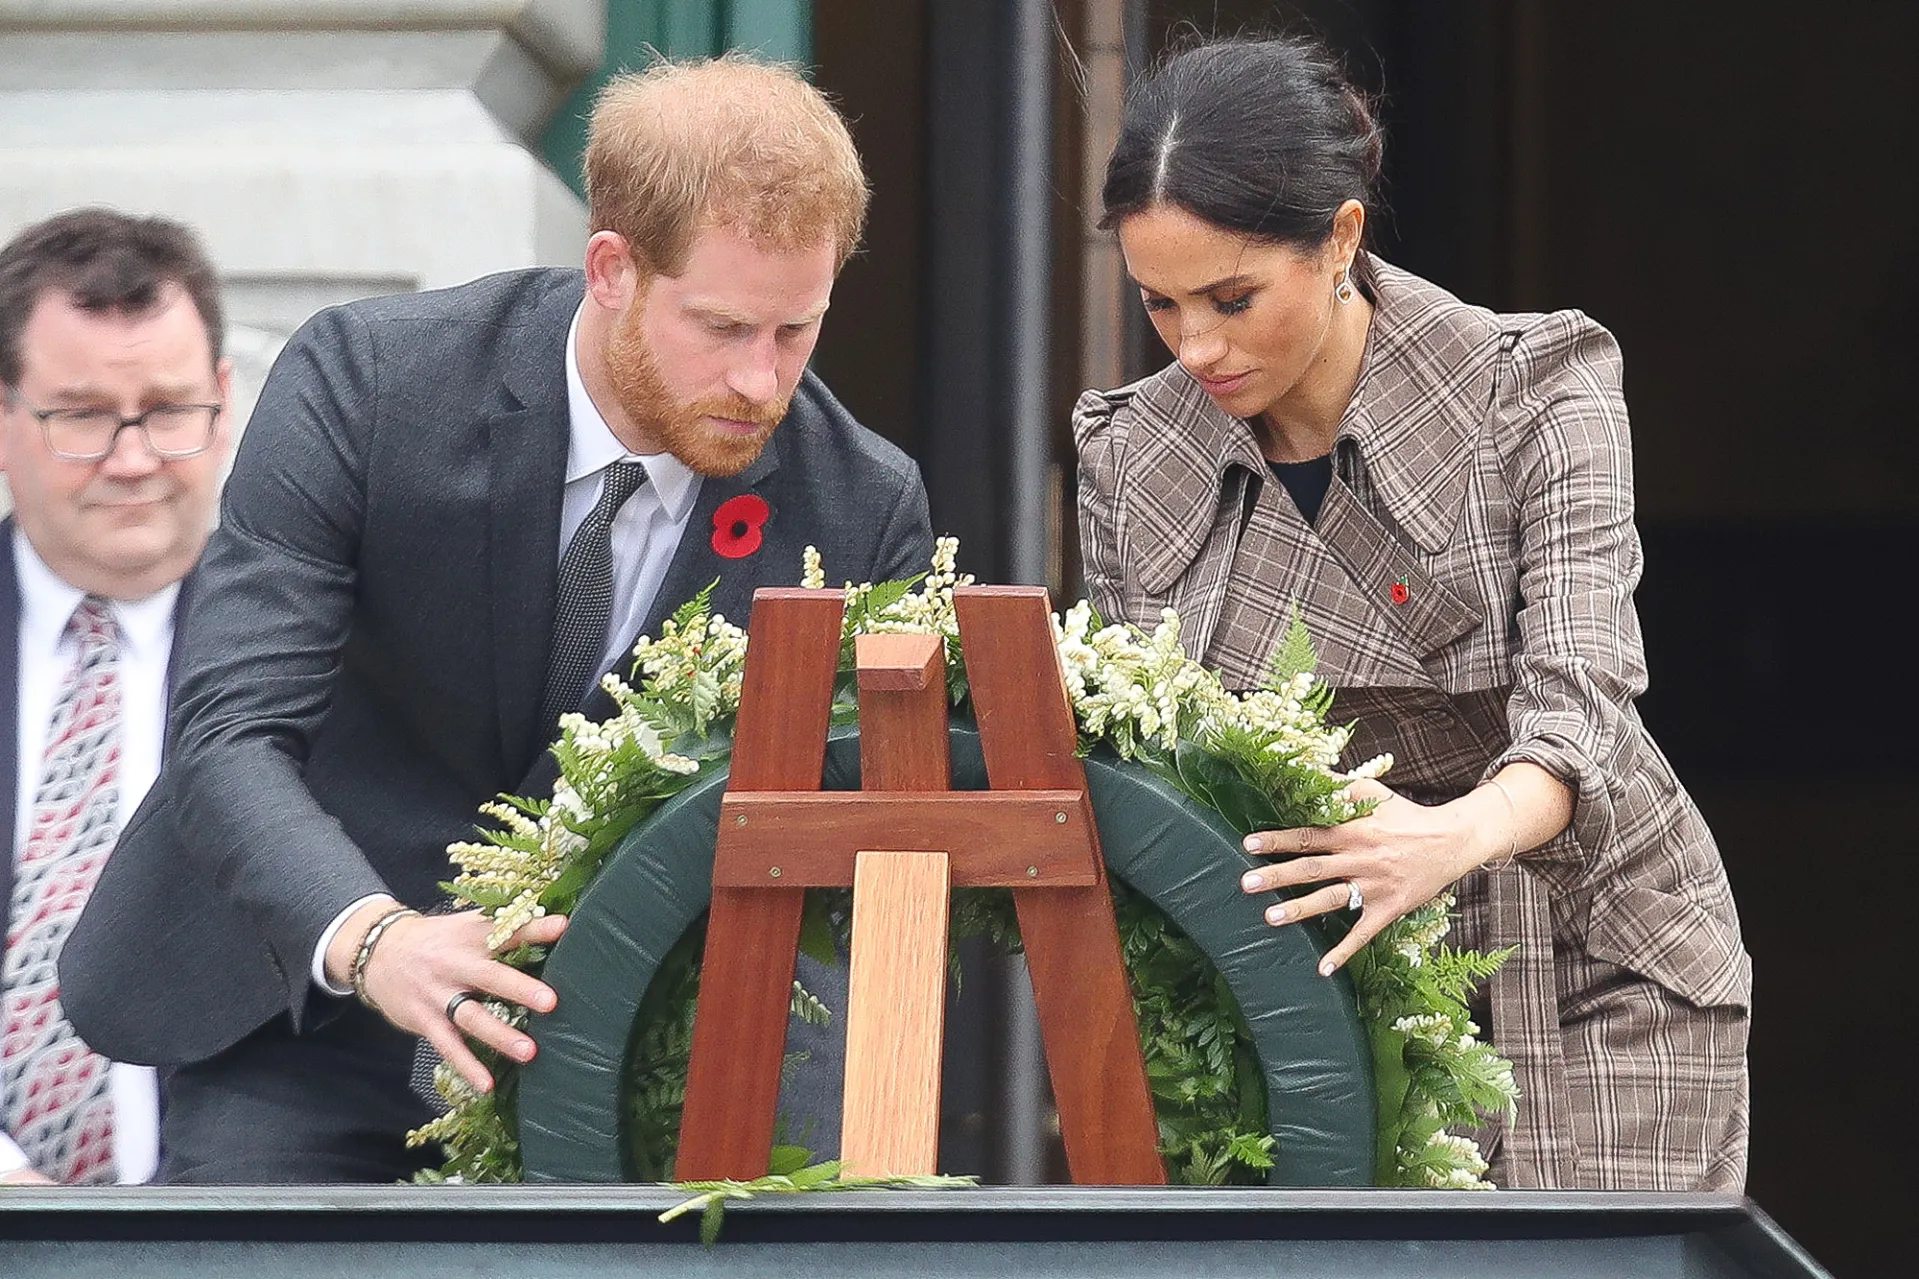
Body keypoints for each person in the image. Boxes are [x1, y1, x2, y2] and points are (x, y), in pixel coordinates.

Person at [57, 54, 933, 1184]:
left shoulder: (859, 502)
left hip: (633, 1054)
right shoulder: (371, 382)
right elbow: (229, 734)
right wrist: (375, 939)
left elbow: (831, 876)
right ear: (611, 269)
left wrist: (821, 1182)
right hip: (312, 1010)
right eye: (720, 327)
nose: (761, 382)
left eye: (795, 331)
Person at [1074, 35, 1748, 1191]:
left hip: (1589, 949)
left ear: (1339, 238)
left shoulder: (1539, 389)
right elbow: (1152, 769)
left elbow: (1583, 701)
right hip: (1308, 972)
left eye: (1232, 299)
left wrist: (1441, 837)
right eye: (1159, 304)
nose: (1195, 348)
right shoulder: (1130, 454)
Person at [0, 209, 234, 1184]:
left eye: (169, 410)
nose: (133, 459)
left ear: (224, 401)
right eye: (85, 416)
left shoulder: (327, 656)